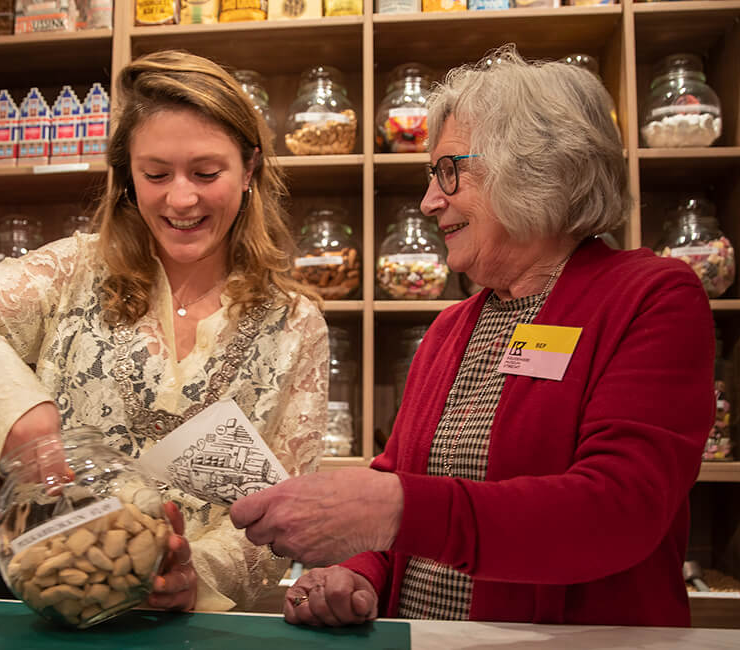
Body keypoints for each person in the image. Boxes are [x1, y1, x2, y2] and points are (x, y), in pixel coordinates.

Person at [230, 46, 714, 627]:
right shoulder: (450, 328)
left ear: (534, 167)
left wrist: (396, 510)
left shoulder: (651, 297)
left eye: (448, 172)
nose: (430, 201)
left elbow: (619, 509)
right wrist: (359, 571)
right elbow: (401, 483)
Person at [0, 50, 329, 612]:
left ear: (249, 169)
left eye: (206, 173)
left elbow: (285, 509)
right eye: (155, 174)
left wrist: (191, 574)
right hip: (50, 585)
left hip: (191, 616)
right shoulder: (73, 273)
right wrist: (18, 412)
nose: (181, 198)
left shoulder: (295, 322)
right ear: (128, 174)